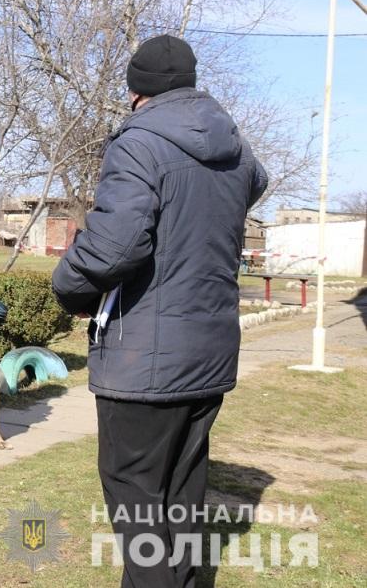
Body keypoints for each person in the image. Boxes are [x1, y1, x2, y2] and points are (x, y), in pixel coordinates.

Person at [52, 35, 268, 587]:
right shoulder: (235, 147)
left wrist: (68, 284)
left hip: (146, 356)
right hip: (209, 349)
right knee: (183, 495)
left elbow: (115, 248)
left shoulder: (140, 143)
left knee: (139, 502)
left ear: (135, 91)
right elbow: (257, 182)